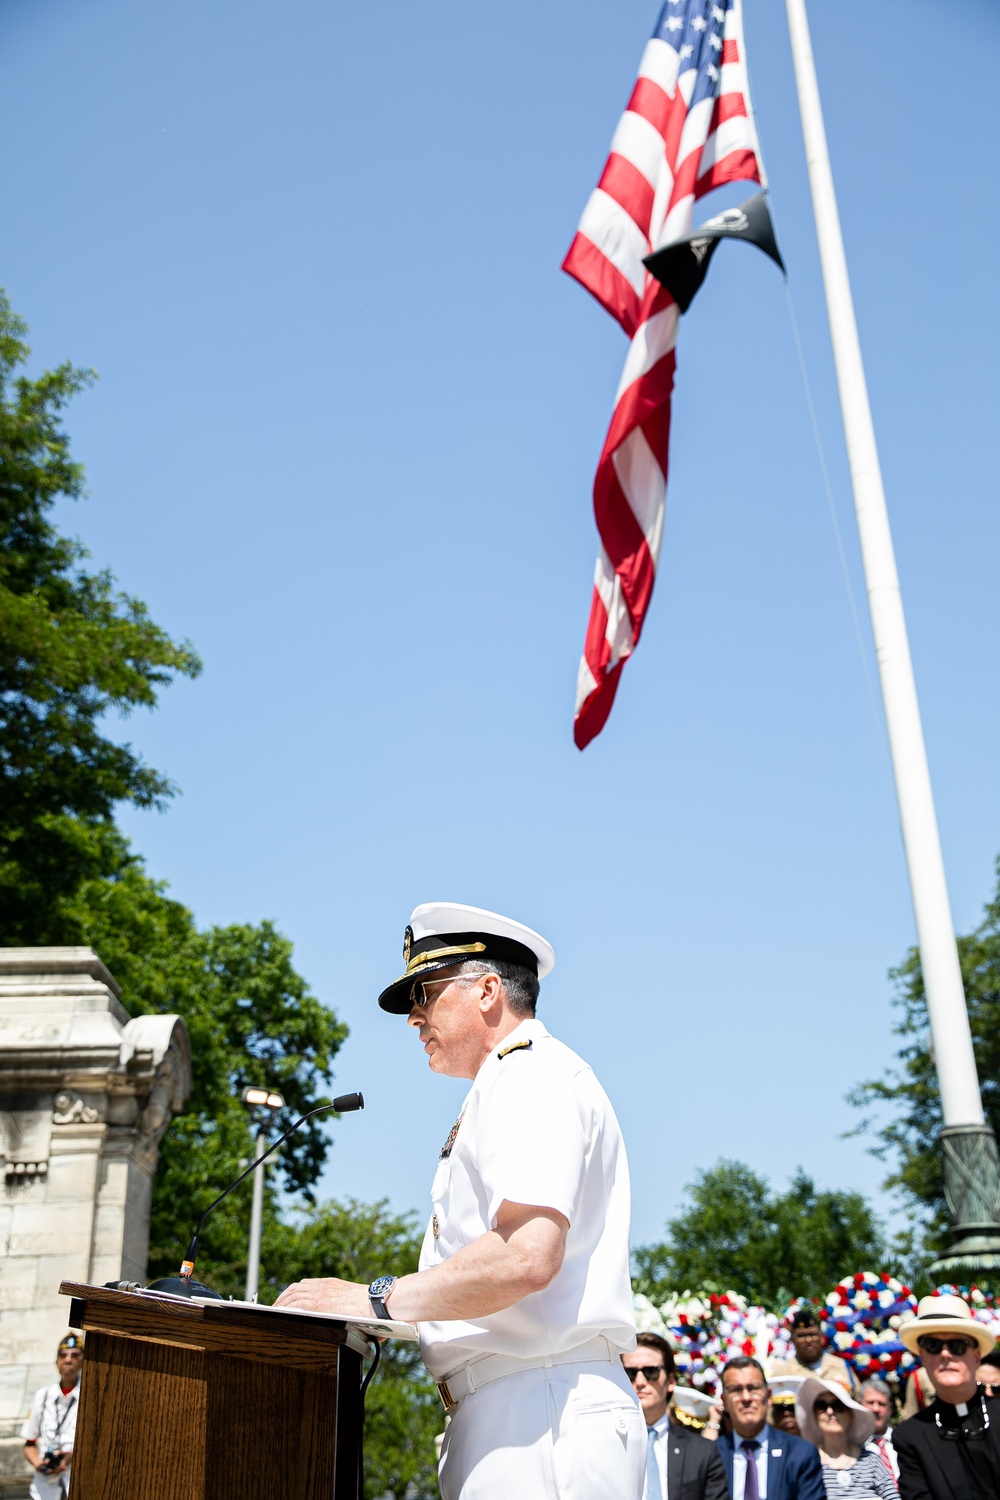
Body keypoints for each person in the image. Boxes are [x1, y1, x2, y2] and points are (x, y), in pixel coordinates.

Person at [276, 903, 644, 1500]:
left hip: (540, 1409)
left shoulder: (527, 1076)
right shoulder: (508, 1082)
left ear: (488, 991)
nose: (414, 1017)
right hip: (518, 1405)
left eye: (425, 992)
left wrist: (373, 1299)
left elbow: (526, 1257)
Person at [893, 1292, 1000, 1499]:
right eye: (933, 1346)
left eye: (957, 1346)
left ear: (976, 1356)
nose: (945, 1354)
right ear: (922, 1357)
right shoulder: (910, 1437)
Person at [622, 1332, 728, 1500]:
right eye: (630, 1373)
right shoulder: (604, 1445)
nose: (640, 1382)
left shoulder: (702, 1451)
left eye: (651, 1371)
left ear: (671, 1381)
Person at [716, 1355, 825, 1499]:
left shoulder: (800, 1453)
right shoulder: (711, 1455)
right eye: (736, 1390)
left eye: (753, 1388)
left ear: (768, 1396)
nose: (746, 1398)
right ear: (724, 1401)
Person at [795, 1377, 898, 1498]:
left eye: (837, 1405)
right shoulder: (808, 1464)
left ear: (851, 1415)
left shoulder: (871, 1461)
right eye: (821, 1406)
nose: (829, 1411)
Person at [21, 1333, 83, 1500]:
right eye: (63, 1355)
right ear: (56, 1361)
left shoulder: (88, 1396)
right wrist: (40, 1464)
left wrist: (73, 1455)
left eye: (75, 1355)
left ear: (83, 1360)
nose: (68, 1360)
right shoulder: (43, 1396)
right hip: (44, 1490)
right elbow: (29, 1443)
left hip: (75, 1483)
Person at [771, 1308, 861, 1394]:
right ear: (793, 1340)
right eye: (802, 1336)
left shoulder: (840, 1365)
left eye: (812, 1334)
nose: (808, 1340)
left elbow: (858, 1398)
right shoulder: (784, 1374)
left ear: (821, 1337)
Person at [860, 1377, 898, 1480]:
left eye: (881, 1404)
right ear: (859, 1404)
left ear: (889, 1409)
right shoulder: (853, 1446)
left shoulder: (903, 1441)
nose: (876, 1409)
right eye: (870, 1403)